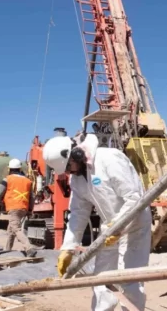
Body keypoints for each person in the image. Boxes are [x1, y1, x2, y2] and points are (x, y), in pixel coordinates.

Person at [43, 133, 151, 311]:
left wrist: (118, 226)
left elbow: (134, 199)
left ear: (76, 154)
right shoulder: (77, 177)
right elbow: (78, 212)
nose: (69, 172)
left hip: (134, 225)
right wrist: (68, 248)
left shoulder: (109, 159)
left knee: (130, 279)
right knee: (101, 279)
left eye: (69, 167)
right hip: (109, 228)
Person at [0, 158, 35, 253]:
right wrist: (30, 210)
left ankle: (29, 248)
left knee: (16, 229)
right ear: (20, 169)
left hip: (13, 207)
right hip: (24, 208)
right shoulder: (28, 181)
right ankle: (7, 250)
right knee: (11, 229)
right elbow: (32, 197)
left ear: (10, 169)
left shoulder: (7, 179)